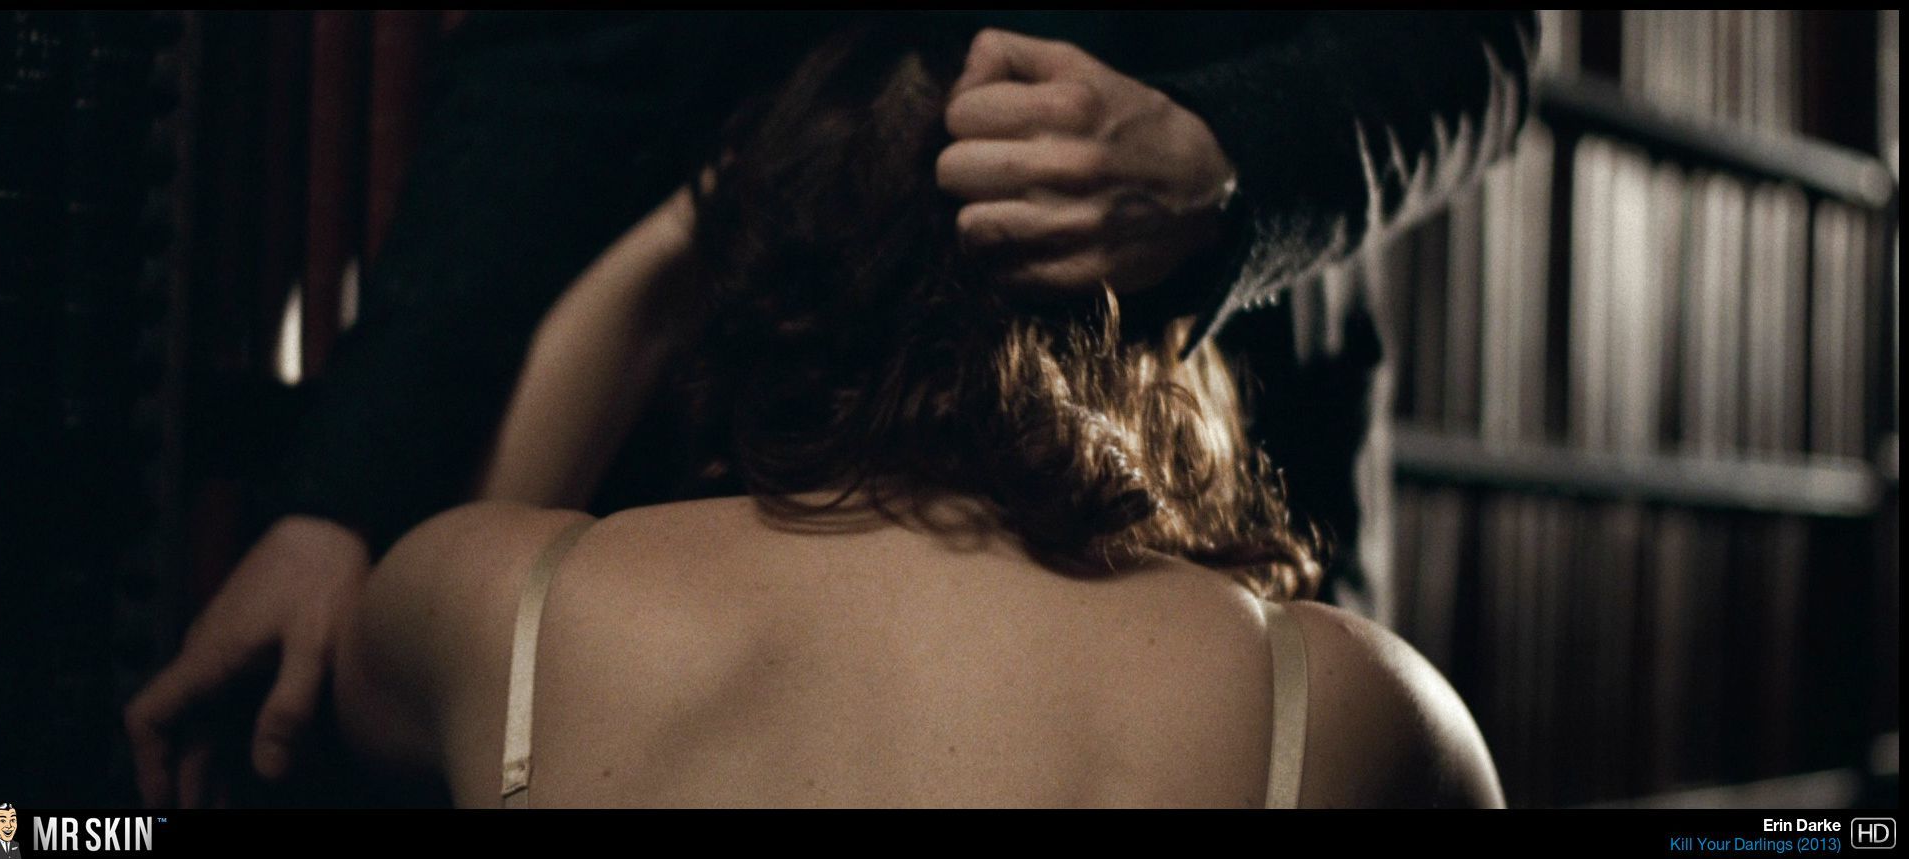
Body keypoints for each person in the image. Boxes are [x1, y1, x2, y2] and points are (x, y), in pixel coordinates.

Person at [128, 11, 1537, 806]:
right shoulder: (1363, 710)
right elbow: (563, 59)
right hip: (1105, 459)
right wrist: (343, 487)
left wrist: (1227, 168)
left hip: (1184, 357)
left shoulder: (511, 607)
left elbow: (1462, 35)